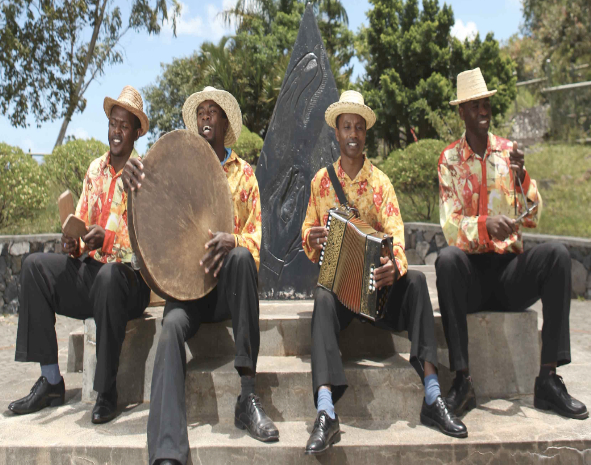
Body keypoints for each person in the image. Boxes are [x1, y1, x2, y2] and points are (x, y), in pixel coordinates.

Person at [300, 90, 467, 455]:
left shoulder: (381, 182)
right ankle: (326, 410)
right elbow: (308, 236)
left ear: (365, 133)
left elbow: (397, 237)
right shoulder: (321, 183)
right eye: (347, 126)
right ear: (337, 132)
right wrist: (312, 236)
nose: (353, 133)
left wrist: (395, 266)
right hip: (342, 294)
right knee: (322, 296)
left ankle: (433, 396)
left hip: (379, 291)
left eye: (359, 127)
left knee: (419, 281)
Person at [123, 87, 279, 465]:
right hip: (186, 292)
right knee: (171, 328)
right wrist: (133, 193)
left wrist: (233, 240)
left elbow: (258, 242)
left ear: (225, 124)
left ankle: (247, 395)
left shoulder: (244, 176)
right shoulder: (175, 169)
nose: (206, 117)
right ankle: (166, 449)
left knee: (241, 258)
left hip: (226, 290)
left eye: (213, 112)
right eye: (202, 113)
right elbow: (150, 235)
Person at [436, 68, 588, 420]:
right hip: (471, 276)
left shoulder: (508, 153)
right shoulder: (449, 160)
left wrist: (523, 178)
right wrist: (486, 225)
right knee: (446, 260)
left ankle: (548, 380)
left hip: (509, 275)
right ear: (462, 111)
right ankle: (462, 380)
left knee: (557, 255)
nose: (484, 110)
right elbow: (450, 227)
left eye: (486, 103)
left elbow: (533, 216)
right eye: (475, 105)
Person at [9, 86, 151, 425]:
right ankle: (52, 382)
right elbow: (83, 225)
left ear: (135, 132)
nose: (116, 131)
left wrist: (109, 239)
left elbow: (150, 245)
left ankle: (106, 391)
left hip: (129, 282)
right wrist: (75, 242)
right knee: (33, 267)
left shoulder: (145, 175)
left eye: (124, 125)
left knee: (109, 275)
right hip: (93, 274)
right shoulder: (94, 169)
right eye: (113, 123)